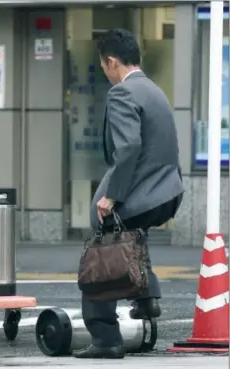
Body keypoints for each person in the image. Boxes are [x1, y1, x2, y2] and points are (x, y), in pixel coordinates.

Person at [74, 29, 184, 359]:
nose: (106, 74)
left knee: (100, 257)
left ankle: (106, 338)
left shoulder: (123, 93)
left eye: (103, 67)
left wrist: (111, 196)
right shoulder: (155, 91)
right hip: (167, 193)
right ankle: (146, 295)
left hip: (141, 193)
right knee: (133, 234)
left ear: (111, 62)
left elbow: (129, 148)